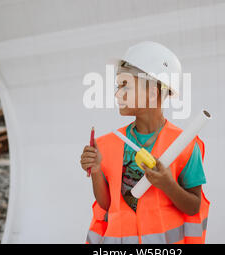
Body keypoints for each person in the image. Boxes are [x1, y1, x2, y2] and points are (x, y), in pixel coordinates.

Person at [80, 41, 210, 244]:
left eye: (125, 85)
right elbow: (107, 204)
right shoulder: (108, 144)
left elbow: (194, 206)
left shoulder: (184, 145)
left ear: (152, 92)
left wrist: (168, 185)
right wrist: (96, 171)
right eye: (118, 86)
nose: (117, 94)